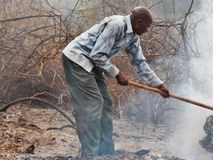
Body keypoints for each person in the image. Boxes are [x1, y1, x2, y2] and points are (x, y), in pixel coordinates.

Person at [61, 6, 170, 157]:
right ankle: (89, 155)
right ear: (139, 22)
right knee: (93, 104)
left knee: (106, 103)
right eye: (147, 26)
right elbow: (98, 55)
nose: (147, 30)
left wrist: (159, 84)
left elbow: (140, 63)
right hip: (77, 59)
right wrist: (117, 73)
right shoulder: (116, 25)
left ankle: (105, 153)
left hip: (92, 63)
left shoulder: (133, 37)